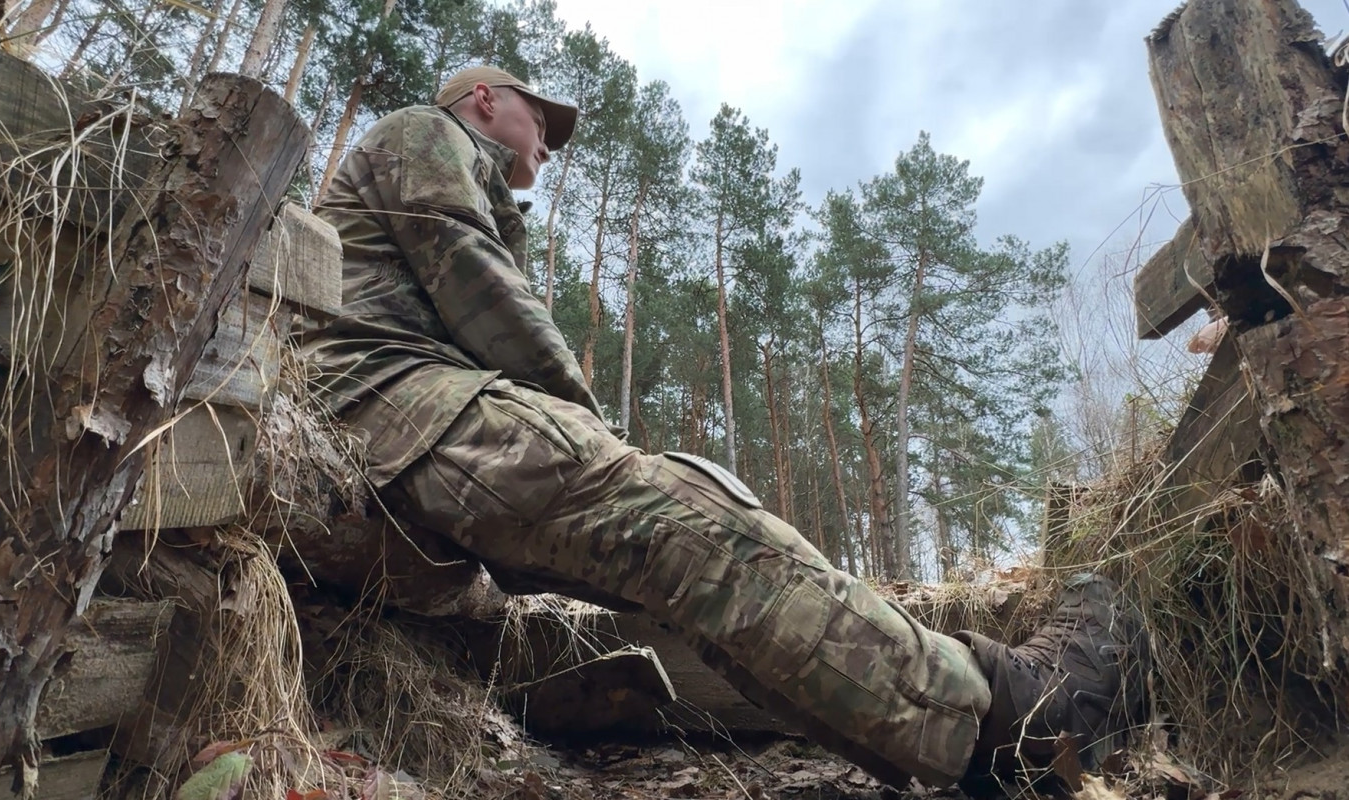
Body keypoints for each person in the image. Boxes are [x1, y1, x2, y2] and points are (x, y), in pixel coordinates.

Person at [298, 65, 1151, 797]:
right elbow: (481, 289)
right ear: (484, 100)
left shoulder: (463, 177)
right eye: (539, 120)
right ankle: (1027, 716)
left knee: (696, 585)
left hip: (411, 418)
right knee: (691, 520)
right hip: (399, 405)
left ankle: (982, 748)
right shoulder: (425, 131)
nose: (549, 144)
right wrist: (592, 436)